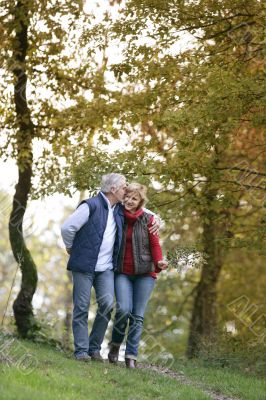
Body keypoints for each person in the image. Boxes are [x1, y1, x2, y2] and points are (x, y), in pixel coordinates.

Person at [61, 174, 159, 361]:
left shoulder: (118, 209)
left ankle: (94, 348)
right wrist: (71, 247)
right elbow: (67, 228)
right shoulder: (90, 205)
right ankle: (81, 351)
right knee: (81, 307)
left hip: (105, 269)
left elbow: (144, 211)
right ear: (114, 189)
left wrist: (158, 220)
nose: (127, 190)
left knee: (106, 305)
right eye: (124, 187)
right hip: (83, 266)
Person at [108, 183, 168, 369]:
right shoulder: (116, 214)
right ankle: (115, 346)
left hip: (145, 273)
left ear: (140, 202)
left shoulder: (149, 219)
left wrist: (159, 262)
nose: (129, 201)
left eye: (134, 199)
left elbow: (155, 245)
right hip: (123, 272)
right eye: (127, 197)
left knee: (137, 315)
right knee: (123, 310)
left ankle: (131, 356)